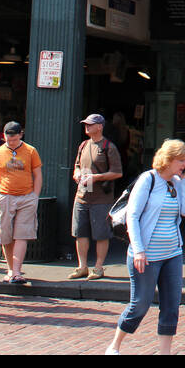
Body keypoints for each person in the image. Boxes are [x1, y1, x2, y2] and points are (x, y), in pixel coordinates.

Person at [107, 139, 185, 355]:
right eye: (181, 160)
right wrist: (138, 249)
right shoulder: (148, 179)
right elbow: (133, 216)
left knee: (171, 306)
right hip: (147, 254)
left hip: (173, 253)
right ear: (169, 159)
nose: (184, 164)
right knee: (140, 304)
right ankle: (115, 344)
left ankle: (165, 352)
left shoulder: (176, 182)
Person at [0, 120, 43, 286]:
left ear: (21, 135)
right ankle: (11, 270)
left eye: (14, 139)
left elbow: (38, 174)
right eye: (8, 139)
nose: (10, 142)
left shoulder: (30, 151)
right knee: (5, 234)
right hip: (5, 195)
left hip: (26, 196)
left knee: (22, 234)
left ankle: (17, 271)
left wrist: (35, 196)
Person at [70, 113, 123, 281]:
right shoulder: (83, 145)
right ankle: (82, 266)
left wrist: (96, 178)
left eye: (91, 124)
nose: (87, 126)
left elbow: (117, 172)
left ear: (100, 126)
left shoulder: (109, 147)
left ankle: (98, 267)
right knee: (80, 232)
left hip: (101, 198)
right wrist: (77, 174)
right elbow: (77, 166)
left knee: (101, 233)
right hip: (82, 195)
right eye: (86, 124)